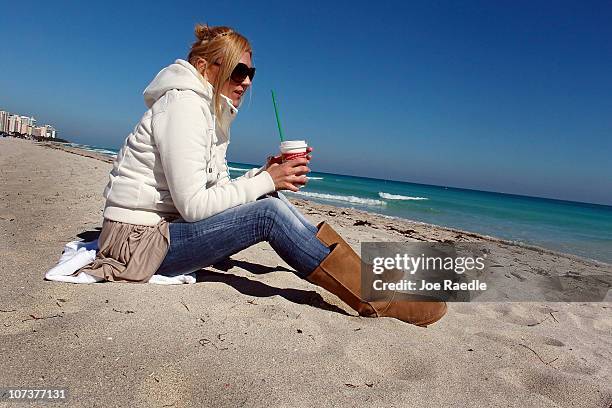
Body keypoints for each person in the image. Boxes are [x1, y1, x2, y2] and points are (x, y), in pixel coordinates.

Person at [76, 24, 446, 327]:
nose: (247, 81)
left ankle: (368, 278)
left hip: (157, 232)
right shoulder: (185, 106)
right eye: (239, 70)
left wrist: (263, 175)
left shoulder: (209, 112)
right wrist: (268, 180)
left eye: (250, 72)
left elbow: (215, 189)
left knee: (266, 199)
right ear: (207, 67)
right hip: (138, 245)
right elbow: (193, 206)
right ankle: (374, 297)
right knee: (266, 213)